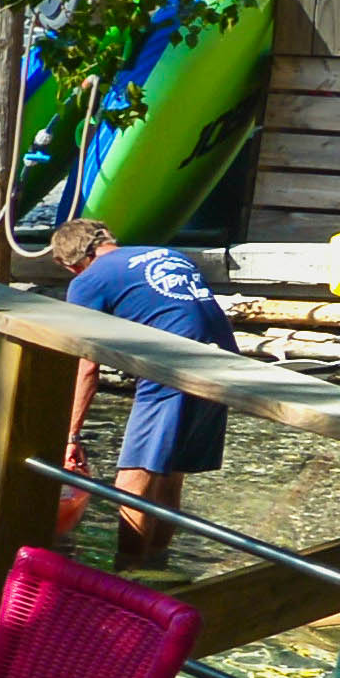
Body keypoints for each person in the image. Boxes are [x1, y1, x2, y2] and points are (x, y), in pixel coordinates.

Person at [60, 235, 237, 564]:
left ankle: (126, 575)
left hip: (173, 360)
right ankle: (158, 566)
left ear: (70, 265)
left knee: (132, 479)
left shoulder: (87, 280)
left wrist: (71, 435)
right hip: (223, 357)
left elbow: (87, 367)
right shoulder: (165, 251)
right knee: (170, 472)